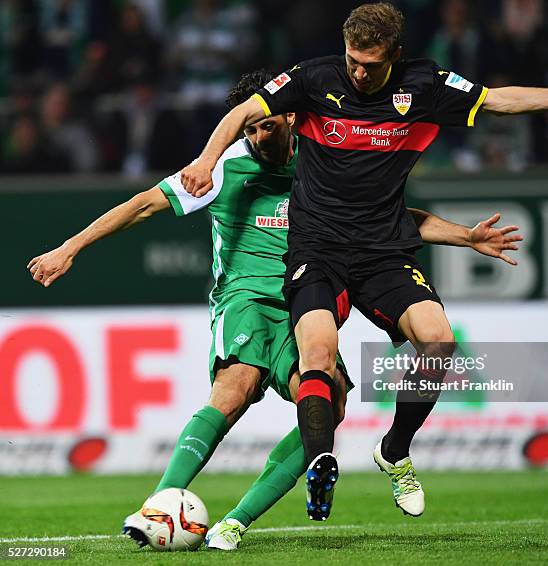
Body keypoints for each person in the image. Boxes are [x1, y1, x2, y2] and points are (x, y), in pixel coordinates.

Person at [28, 69, 522, 547]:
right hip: (243, 298)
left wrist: (464, 236)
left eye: (266, 124)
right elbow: (142, 205)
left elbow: (387, 222)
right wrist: (70, 247)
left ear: (290, 118)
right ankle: (157, 502)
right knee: (236, 387)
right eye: (250, 127)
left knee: (334, 403)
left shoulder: (322, 158)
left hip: (302, 297)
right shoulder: (224, 168)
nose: (259, 135)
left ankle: (235, 522)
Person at [179, 2, 548, 521]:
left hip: (383, 250)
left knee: (439, 341)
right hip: (317, 248)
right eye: (352, 61)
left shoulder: (424, 86)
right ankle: (321, 463)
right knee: (317, 352)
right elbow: (243, 112)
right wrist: (206, 160)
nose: (358, 73)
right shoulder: (312, 79)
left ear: (395, 56)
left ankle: (395, 450)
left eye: (371, 64)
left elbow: (499, 101)